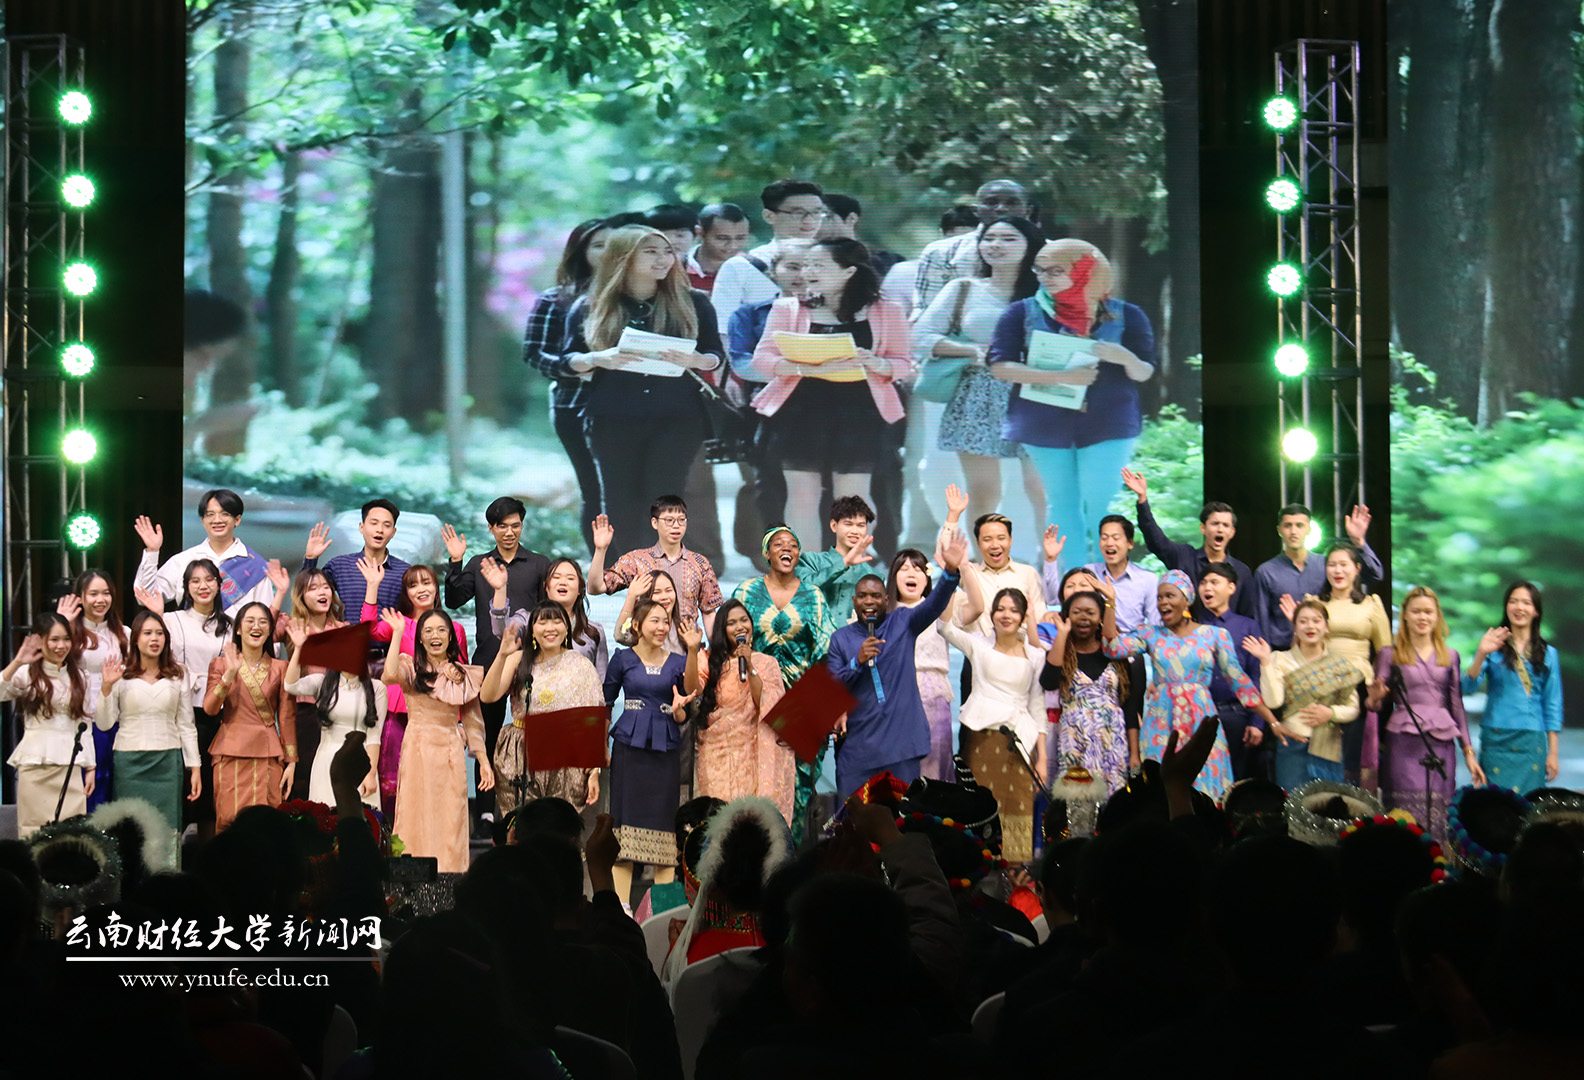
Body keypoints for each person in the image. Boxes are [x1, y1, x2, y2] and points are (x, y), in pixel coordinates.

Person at [986, 240, 1154, 567]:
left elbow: (1145, 372)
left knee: (1103, 504)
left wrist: (1124, 357)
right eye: (1039, 270)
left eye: (1056, 270)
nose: (1045, 278)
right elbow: (1000, 366)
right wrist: (1061, 377)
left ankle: (1113, 581)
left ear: (1087, 270)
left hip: (1110, 422)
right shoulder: (1021, 312)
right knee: (1061, 504)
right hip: (1043, 424)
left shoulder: (1127, 314)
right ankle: (1072, 582)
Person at [739, 237, 912, 545]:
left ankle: (849, 565)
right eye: (806, 265)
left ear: (849, 271)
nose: (808, 272)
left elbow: (903, 364)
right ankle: (810, 568)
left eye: (818, 265)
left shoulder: (887, 310)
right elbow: (763, 359)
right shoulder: (788, 307)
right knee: (802, 493)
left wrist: (876, 362)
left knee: (853, 496)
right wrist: (807, 368)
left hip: (861, 411)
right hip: (800, 409)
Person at [563, 224, 723, 549]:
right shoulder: (591, 305)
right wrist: (598, 358)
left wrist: (696, 360)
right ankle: (632, 570)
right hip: (612, 417)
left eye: (667, 252)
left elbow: (715, 355)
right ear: (623, 257)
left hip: (677, 417)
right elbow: (568, 359)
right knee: (619, 499)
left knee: (665, 497)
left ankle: (663, 569)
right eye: (650, 252)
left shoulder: (693, 302)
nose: (663, 259)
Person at [913, 215, 1047, 532]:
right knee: (984, 491)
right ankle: (985, 561)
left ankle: (1053, 560)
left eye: (1008, 238)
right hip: (977, 393)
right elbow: (920, 336)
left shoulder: (1050, 291)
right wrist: (971, 350)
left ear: (1031, 245)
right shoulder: (963, 288)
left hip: (1039, 393)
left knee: (1041, 488)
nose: (996, 245)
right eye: (989, 238)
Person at [1102, 570, 1277, 799]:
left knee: (1205, 788)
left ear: (1187, 600)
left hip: (1200, 722)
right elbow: (1112, 648)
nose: (1163, 602)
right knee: (1159, 788)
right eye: (1159, 597)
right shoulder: (1151, 634)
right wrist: (1110, 602)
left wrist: (1272, 720)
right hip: (1161, 723)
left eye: (1170, 596)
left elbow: (1240, 682)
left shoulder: (1215, 635)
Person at [827, 529, 967, 799]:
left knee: (903, 817)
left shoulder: (903, 622)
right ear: (854, 601)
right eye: (863, 596)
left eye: (875, 596)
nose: (869, 601)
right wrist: (857, 661)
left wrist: (950, 572)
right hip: (859, 749)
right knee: (854, 818)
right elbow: (834, 686)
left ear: (886, 600)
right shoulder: (841, 639)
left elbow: (934, 604)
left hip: (902, 746)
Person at [443, 495, 552, 823]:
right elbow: (453, 600)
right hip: (489, 661)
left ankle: (530, 810)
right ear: (491, 528)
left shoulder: (538, 564)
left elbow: (549, 614)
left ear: (522, 525)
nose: (509, 532)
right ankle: (485, 813)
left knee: (532, 735)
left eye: (515, 525)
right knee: (485, 736)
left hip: (529, 663)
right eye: (502, 526)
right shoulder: (480, 564)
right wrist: (456, 561)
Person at [732, 526, 834, 841]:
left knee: (797, 788)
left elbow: (825, 655)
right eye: (778, 544)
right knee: (752, 782)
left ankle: (792, 859)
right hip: (752, 701)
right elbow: (731, 642)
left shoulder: (814, 597)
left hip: (800, 705)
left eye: (793, 544)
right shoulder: (746, 592)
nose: (786, 548)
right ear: (767, 553)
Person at [1363, 587, 1483, 842]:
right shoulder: (1389, 654)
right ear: (1405, 615)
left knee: (1439, 812)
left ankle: (1437, 862)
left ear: (1437, 616)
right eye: (1416, 611)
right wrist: (1374, 696)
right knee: (1402, 813)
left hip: (1441, 743)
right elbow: (1373, 705)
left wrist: (1469, 753)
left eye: (1428, 612)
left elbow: (1456, 705)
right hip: (1403, 741)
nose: (1422, 617)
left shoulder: (1450, 656)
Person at [938, 582, 1047, 863]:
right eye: (1000, 609)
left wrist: (1043, 758)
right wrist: (950, 579)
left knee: (1018, 808)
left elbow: (1037, 706)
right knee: (980, 809)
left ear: (1023, 616)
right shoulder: (979, 644)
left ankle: (1017, 878)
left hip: (1020, 743)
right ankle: (977, 874)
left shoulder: (1035, 655)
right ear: (992, 614)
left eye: (1013, 610)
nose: (1006, 615)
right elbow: (945, 629)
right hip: (982, 740)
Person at [381, 608, 492, 873]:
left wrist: (484, 762)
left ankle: (450, 876)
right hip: (417, 748)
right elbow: (389, 675)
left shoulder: (462, 674)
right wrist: (397, 634)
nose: (435, 636)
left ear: (451, 637)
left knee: (451, 816)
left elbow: (473, 722)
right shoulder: (411, 667)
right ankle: (411, 879)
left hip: (450, 751)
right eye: (428, 631)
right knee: (414, 813)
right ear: (420, 638)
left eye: (442, 630)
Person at [523, 218, 611, 553]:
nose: (608, 253)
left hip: (637, 407)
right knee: (595, 489)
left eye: (614, 246)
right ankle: (604, 564)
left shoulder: (643, 297)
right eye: (598, 246)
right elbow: (534, 353)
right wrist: (573, 366)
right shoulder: (556, 299)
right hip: (576, 404)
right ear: (580, 252)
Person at [603, 598, 694, 905]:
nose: (662, 627)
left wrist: (679, 711)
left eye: (666, 621)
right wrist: (601, 745)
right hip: (628, 750)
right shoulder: (622, 659)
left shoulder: (679, 662)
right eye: (655, 620)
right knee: (623, 824)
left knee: (664, 826)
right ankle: (621, 909)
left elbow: (686, 710)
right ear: (637, 625)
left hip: (665, 750)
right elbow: (605, 704)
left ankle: (663, 911)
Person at [481, 602, 603, 821]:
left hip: (566, 757)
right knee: (522, 825)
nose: (550, 628)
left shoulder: (581, 665)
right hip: (520, 752)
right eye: (543, 622)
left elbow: (592, 720)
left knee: (558, 825)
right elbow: (488, 696)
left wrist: (594, 771)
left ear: (566, 628)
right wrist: (501, 655)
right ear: (533, 629)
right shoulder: (518, 659)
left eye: (557, 621)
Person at [369, 563, 470, 821]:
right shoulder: (399, 623)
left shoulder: (455, 629)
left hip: (439, 717)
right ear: (406, 593)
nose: (421, 589)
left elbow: (460, 680)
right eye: (413, 585)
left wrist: (460, 722)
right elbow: (369, 630)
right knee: (392, 778)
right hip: (400, 711)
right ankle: (393, 835)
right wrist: (372, 586)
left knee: (436, 781)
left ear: (436, 587)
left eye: (426, 582)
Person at [1282, 541, 1389, 785]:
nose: (1337, 571)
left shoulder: (1371, 604)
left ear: (1357, 568)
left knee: (1351, 761)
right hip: (1318, 685)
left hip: (1358, 688)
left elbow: (1385, 652)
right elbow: (1297, 650)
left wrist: (1378, 691)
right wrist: (1295, 626)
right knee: (1315, 760)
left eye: (1343, 565)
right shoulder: (1313, 602)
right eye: (1332, 565)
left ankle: (1347, 803)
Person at [138, 559, 229, 838]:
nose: (203, 586)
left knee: (210, 797)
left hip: (217, 715)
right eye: (195, 581)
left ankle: (207, 856)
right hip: (180, 713)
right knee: (179, 790)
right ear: (186, 587)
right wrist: (151, 552)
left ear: (219, 584)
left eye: (209, 579)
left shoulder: (230, 624)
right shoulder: (171, 620)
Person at [687, 600, 793, 822]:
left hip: (753, 753)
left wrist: (750, 665)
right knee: (719, 820)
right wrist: (692, 650)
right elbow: (692, 689)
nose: (739, 627)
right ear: (722, 630)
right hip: (716, 754)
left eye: (744, 620)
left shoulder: (767, 663)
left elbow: (766, 704)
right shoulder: (710, 660)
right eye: (732, 623)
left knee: (750, 821)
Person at [97, 610, 201, 835]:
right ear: (135, 639)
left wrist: (195, 767)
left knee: (167, 828)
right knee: (130, 830)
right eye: (147, 633)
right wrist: (106, 688)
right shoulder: (120, 674)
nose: (154, 639)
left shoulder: (178, 673)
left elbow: (186, 724)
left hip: (167, 760)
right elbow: (105, 724)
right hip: (129, 761)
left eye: (159, 633)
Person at [1243, 600, 1362, 791]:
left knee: (1328, 805)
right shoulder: (1280, 659)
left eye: (1316, 620)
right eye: (1303, 621)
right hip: (1292, 746)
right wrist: (1265, 662)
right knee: (1293, 804)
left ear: (1326, 627)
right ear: (1295, 627)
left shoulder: (1339, 664)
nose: (1310, 626)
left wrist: (1330, 713)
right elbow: (1273, 701)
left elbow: (1353, 708)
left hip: (1328, 747)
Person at [1, 613, 95, 836]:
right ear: (40, 640)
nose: (61, 646)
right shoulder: (26, 673)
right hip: (35, 765)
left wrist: (91, 766)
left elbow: (84, 724)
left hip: (69, 765)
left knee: (71, 833)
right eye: (54, 639)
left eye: (66, 639)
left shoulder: (81, 677)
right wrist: (17, 661)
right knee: (33, 830)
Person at [202, 602, 293, 831]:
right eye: (250, 621)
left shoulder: (280, 667)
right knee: (228, 822)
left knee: (267, 826)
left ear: (270, 630)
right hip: (229, 751)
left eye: (263, 622)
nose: (256, 626)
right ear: (238, 629)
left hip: (268, 754)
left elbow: (286, 717)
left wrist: (291, 761)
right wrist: (229, 674)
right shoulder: (221, 664)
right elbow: (210, 709)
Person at [1042, 589, 1144, 794]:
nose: (1083, 617)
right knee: (1077, 801)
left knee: (1114, 801)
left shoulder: (1116, 656)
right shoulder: (1062, 652)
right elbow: (1049, 682)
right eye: (1076, 612)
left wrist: (1135, 753)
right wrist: (1062, 633)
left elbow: (1130, 708)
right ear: (1067, 616)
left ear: (1100, 619)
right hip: (1075, 737)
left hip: (1112, 739)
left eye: (1090, 612)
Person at [1463, 581, 1562, 790]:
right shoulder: (1492, 645)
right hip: (1496, 736)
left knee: (1530, 802)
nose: (1519, 607)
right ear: (1506, 607)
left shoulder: (1549, 654)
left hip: (1532, 739)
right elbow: (1468, 687)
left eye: (1526, 603)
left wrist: (1553, 753)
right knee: (1496, 802)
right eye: (1513, 601)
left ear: (1536, 611)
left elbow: (1552, 703)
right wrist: (1481, 653)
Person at [1120, 468, 1256, 620]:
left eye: (1225, 525)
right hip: (1188, 634)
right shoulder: (1185, 557)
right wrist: (1142, 499)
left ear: (1232, 532)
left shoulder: (1241, 572)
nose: (1220, 529)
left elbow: (1248, 616)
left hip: (1229, 635)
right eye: (1215, 524)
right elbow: (1156, 540)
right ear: (1203, 528)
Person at [281, 620, 384, 808]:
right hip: (326, 761)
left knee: (361, 821)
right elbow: (290, 685)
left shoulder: (377, 688)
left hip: (360, 764)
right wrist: (299, 649)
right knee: (325, 818)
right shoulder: (322, 683)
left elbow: (374, 735)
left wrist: (370, 774)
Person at [1252, 502, 1384, 649]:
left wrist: (1358, 541)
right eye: (1288, 525)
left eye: (1299, 525)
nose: (1293, 531)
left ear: (1309, 529)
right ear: (1279, 530)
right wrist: (1267, 659)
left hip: (1323, 650)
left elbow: (1374, 576)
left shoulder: (1327, 565)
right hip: (1283, 652)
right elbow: (1261, 620)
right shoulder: (1266, 572)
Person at [133, 490, 279, 615]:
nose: (217, 520)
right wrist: (152, 551)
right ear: (203, 520)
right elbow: (145, 597)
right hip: (189, 639)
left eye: (225, 514)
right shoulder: (184, 560)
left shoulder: (255, 566)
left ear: (237, 520)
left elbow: (265, 618)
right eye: (210, 514)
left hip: (237, 640)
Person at [589, 496, 723, 629]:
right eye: (669, 520)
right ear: (654, 523)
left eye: (681, 520)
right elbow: (595, 588)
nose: (676, 525)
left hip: (686, 642)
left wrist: (716, 643)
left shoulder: (700, 564)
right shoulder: (635, 561)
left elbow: (709, 612)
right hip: (645, 641)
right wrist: (600, 550)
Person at [710, 179, 828, 328]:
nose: (809, 220)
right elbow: (722, 327)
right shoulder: (740, 267)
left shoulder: (836, 264)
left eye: (817, 212)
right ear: (769, 216)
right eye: (798, 213)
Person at [938, 489, 1050, 643]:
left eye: (1001, 538)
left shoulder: (1028, 573)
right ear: (978, 544)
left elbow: (1039, 618)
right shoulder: (969, 571)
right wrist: (953, 515)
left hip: (1020, 652)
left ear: (1010, 540)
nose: (995, 545)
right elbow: (945, 555)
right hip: (978, 653)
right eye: (987, 539)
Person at [58, 570, 129, 810]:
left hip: (116, 719)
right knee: (87, 785)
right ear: (81, 597)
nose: (101, 600)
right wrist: (62, 624)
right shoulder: (68, 634)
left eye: (106, 593)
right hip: (81, 719)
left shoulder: (124, 634)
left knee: (114, 784)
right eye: (93, 594)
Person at [275, 568, 347, 801]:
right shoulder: (292, 626)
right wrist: (280, 592)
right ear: (301, 597)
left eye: (325, 587)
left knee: (334, 779)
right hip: (305, 713)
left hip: (338, 713)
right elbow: (263, 629)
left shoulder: (343, 629)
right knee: (304, 778)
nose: (322, 592)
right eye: (313, 588)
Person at [887, 549, 955, 781]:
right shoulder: (882, 613)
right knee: (897, 770)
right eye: (904, 568)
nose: (911, 574)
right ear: (893, 577)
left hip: (933, 698)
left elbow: (975, 608)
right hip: (894, 700)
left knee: (932, 769)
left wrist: (955, 569)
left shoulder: (938, 610)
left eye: (917, 569)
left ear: (927, 579)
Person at [914, 179, 1033, 308]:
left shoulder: (1046, 251)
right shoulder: (941, 252)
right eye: (991, 202)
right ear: (976, 210)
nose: (1001, 208)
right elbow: (926, 307)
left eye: (1012, 203)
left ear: (1028, 211)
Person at [1196, 563, 1266, 781]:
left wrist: (1257, 722)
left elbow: (1256, 675)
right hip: (1199, 714)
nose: (1207, 587)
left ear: (1231, 588)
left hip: (1236, 715)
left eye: (1214, 582)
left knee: (1236, 781)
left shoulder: (1247, 626)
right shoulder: (1192, 626)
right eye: (1203, 583)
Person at [490, 555, 609, 681]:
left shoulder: (594, 631)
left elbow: (601, 681)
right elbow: (502, 631)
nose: (563, 582)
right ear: (546, 587)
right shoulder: (528, 620)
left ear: (579, 589)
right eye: (556, 577)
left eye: (570, 578)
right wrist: (500, 590)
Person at [298, 498, 410, 614]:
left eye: (386, 525)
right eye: (374, 523)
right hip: (348, 625)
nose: (379, 530)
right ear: (361, 527)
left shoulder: (404, 572)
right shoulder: (340, 565)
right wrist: (311, 558)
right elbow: (305, 593)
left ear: (393, 532)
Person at [1082, 514, 1158, 633]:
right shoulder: (1089, 573)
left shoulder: (1148, 579)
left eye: (1116, 538)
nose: (1109, 543)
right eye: (1104, 538)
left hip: (1132, 642)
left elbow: (1155, 624)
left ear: (1130, 543)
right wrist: (1052, 559)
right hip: (1096, 641)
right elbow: (1058, 599)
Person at [687, 203, 751, 293]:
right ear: (700, 232)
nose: (733, 246)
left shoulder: (754, 270)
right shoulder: (674, 268)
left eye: (740, 238)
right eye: (722, 238)